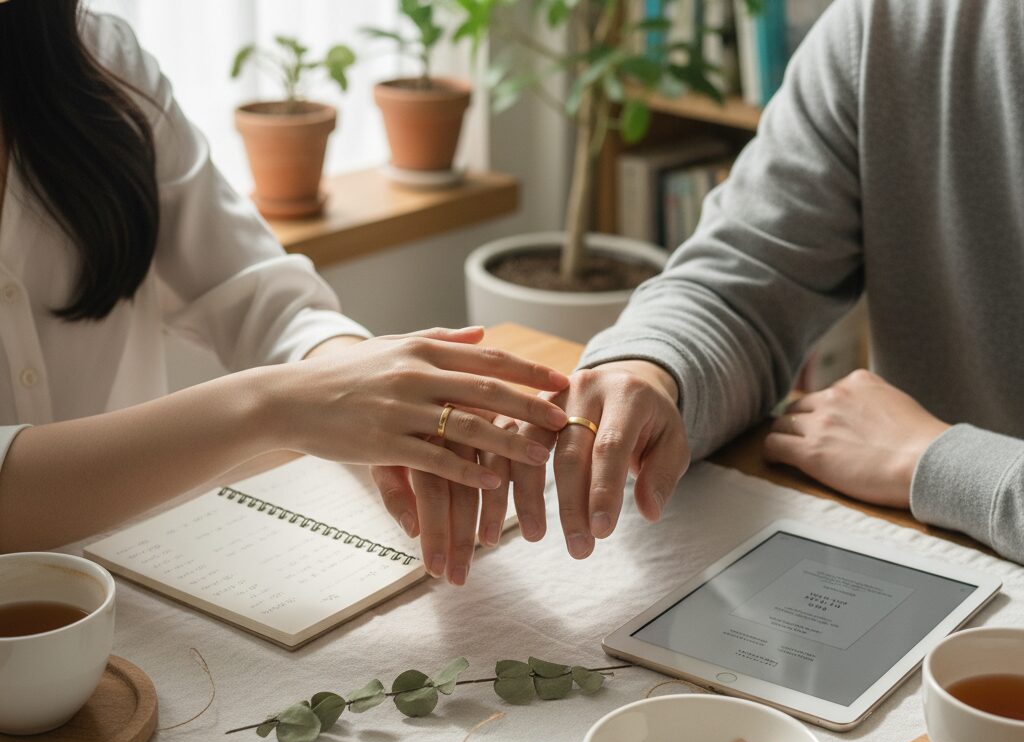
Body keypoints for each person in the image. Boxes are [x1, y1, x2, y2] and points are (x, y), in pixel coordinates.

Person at [378, 0, 1024, 571]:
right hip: (928, 558)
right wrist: (653, 368)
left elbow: (945, 465)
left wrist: (946, 463)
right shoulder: (889, 26)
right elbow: (744, 282)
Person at [0, 0, 571, 585]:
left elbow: (256, 291)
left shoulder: (100, 57)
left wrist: (377, 392)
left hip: (134, 579)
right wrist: (275, 406)